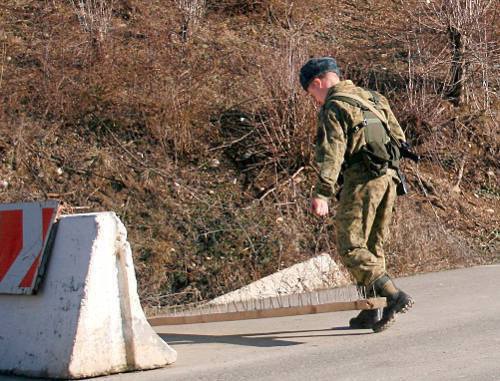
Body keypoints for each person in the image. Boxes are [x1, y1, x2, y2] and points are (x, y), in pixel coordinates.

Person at [299, 57, 414, 332]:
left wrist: (323, 193)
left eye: (311, 94)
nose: (314, 100)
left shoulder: (335, 106)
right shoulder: (373, 97)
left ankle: (393, 296)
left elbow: (332, 153)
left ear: (317, 83)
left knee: (350, 245)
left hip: (362, 179)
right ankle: (370, 309)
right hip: (389, 178)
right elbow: (399, 138)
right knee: (372, 246)